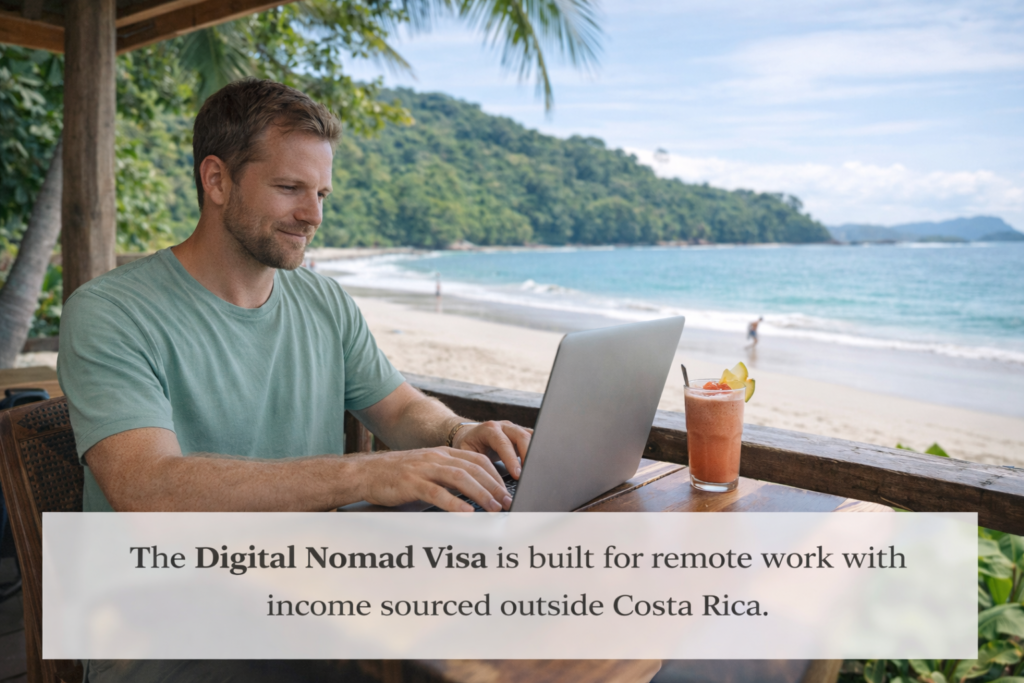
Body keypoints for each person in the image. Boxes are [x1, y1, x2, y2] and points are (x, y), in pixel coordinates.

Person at [57, 78, 531, 518]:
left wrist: (458, 433)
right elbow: (146, 488)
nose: (313, 215)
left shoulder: (324, 300)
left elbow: (401, 409)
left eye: (322, 194)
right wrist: (364, 472)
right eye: (290, 189)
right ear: (216, 180)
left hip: (310, 572)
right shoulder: (111, 312)